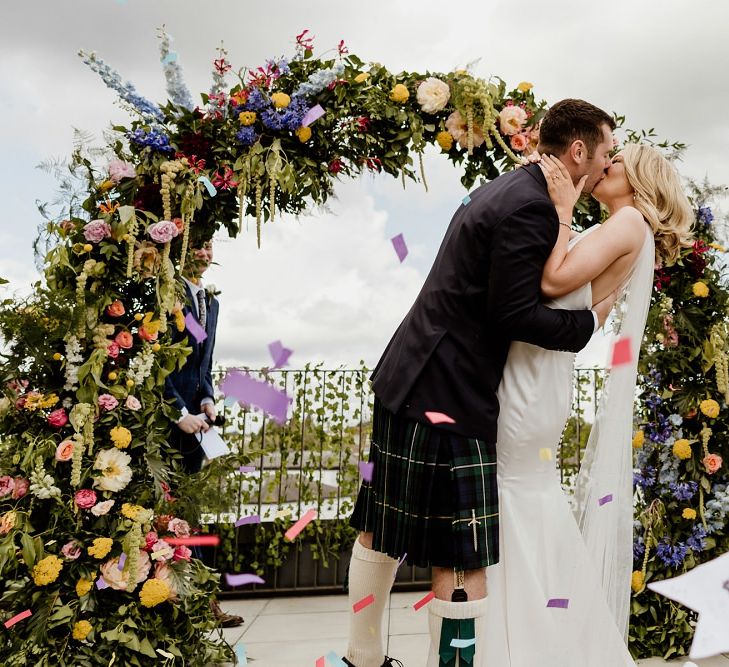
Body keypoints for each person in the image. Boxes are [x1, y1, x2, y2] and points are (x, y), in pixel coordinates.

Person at [343, 99, 619, 667]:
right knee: (461, 557)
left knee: (382, 525)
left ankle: (360, 658)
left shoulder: (505, 187)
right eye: (605, 153)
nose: (606, 165)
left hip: (411, 377)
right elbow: (513, 314)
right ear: (576, 152)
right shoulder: (534, 208)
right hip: (449, 392)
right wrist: (587, 323)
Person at [482, 143, 693, 666]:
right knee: (523, 496)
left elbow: (553, 282)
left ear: (638, 179)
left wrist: (560, 213)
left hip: (534, 376)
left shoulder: (627, 224)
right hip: (539, 370)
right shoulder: (628, 230)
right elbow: (590, 310)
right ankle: (535, 637)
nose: (606, 165)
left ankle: (522, 645)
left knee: (514, 494)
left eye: (617, 161)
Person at [164, 240, 244, 629]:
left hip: (198, 425)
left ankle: (200, 604)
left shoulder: (209, 303)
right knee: (166, 516)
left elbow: (201, 364)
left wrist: (208, 399)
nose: (204, 254)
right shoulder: (164, 293)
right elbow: (157, 363)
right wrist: (179, 412)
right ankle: (179, 605)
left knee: (189, 515)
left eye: (209, 247)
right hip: (163, 426)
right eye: (197, 246)